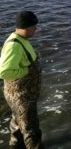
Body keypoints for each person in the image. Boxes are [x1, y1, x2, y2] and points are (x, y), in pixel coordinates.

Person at [0, 11, 44, 149]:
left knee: (18, 124)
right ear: (26, 27)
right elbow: (4, 72)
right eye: (34, 27)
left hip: (22, 94)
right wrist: (25, 71)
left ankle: (15, 146)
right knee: (31, 131)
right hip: (21, 96)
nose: (35, 30)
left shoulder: (21, 39)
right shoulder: (14, 45)